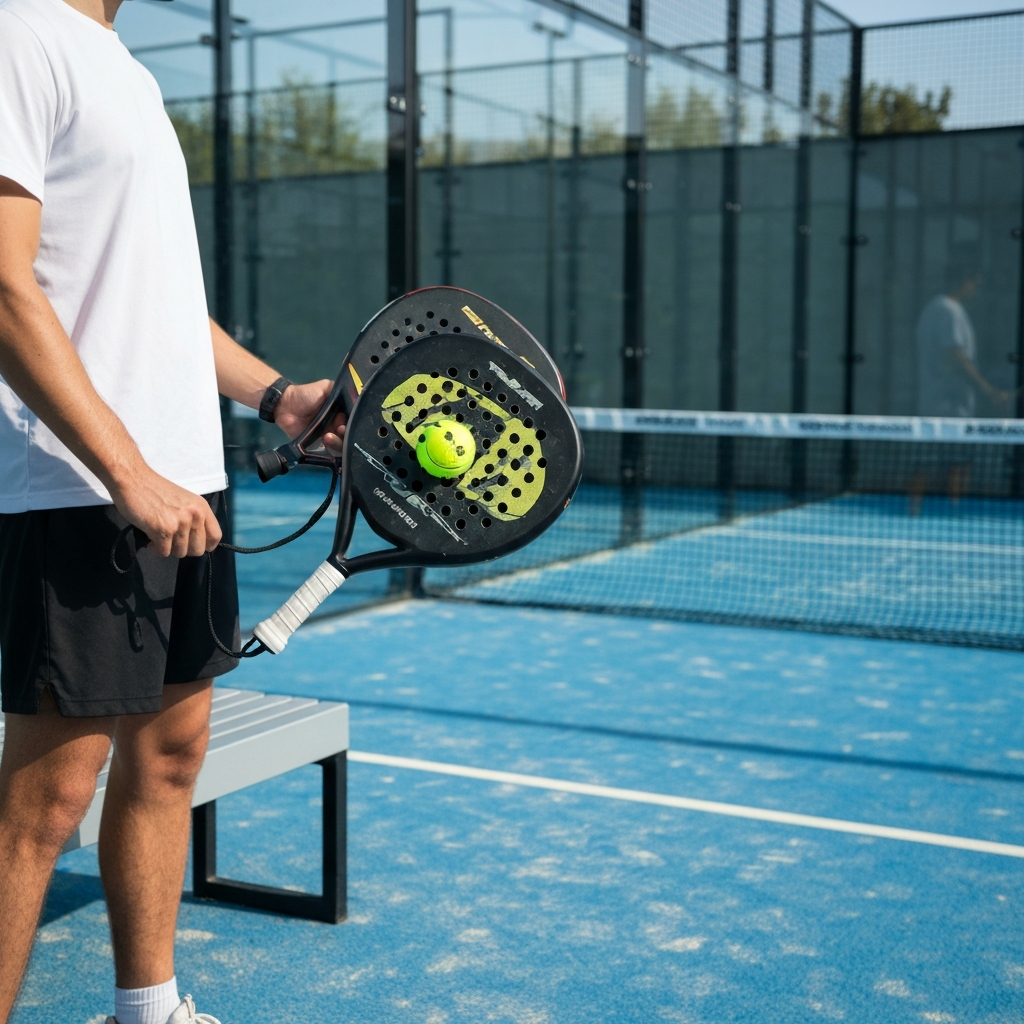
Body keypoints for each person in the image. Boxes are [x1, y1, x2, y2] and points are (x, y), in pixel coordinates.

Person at [0, 0, 343, 1022]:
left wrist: (274, 394)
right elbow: (5, 282)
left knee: (171, 757)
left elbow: (152, 300)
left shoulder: (127, 71)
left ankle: (146, 1010)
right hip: (85, 489)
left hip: (188, 483)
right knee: (44, 804)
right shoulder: (18, 32)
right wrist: (125, 470)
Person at [915, 265, 1011, 418]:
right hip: (947, 410)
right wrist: (989, 391)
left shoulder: (935, 308)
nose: (977, 291)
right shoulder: (947, 310)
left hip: (941, 408)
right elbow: (955, 357)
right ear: (964, 280)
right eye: (976, 284)